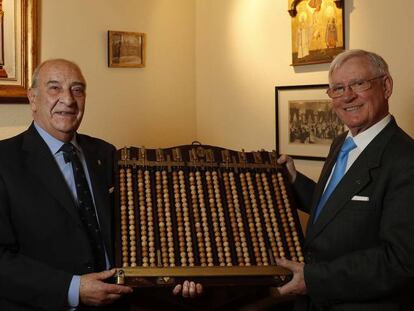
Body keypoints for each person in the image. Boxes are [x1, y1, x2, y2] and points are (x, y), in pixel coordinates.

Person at [0, 59, 201, 310]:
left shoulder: (106, 153)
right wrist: (73, 289)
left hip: (122, 301)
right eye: (54, 88)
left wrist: (175, 272)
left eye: (77, 89)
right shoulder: (5, 161)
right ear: (32, 98)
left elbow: (140, 228)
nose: (69, 100)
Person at [276, 49, 414, 310]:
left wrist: (313, 279)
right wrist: (295, 181)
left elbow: (400, 260)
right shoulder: (342, 143)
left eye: (359, 84)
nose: (347, 96)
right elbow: (339, 209)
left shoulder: (406, 160)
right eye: (338, 88)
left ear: (386, 86)